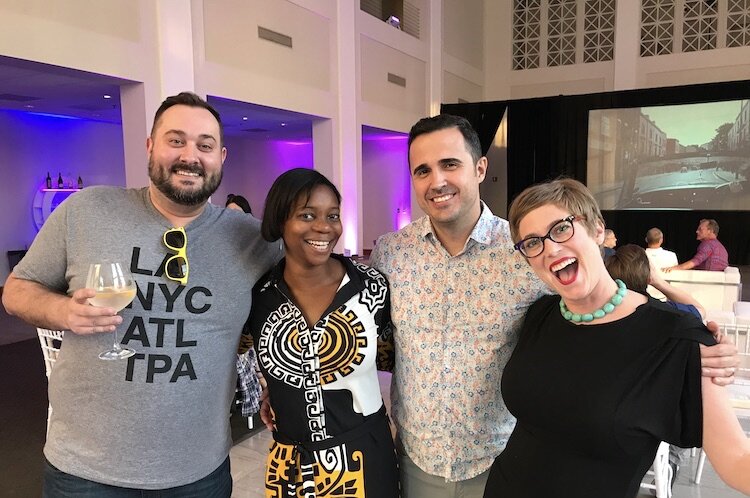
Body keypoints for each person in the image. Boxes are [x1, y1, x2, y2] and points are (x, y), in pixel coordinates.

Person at [367, 115, 737, 498]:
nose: (436, 181)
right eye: (422, 170)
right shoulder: (391, 253)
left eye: (450, 164)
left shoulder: (528, 250)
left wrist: (688, 339)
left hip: (505, 460)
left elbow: (609, 308)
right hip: (416, 462)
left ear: (479, 168)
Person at [2, 92, 281, 496]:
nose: (190, 155)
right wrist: (62, 311)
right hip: (85, 473)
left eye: (204, 146)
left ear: (221, 157)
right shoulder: (86, 211)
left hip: (198, 473)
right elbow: (16, 290)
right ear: (150, 147)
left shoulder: (250, 238)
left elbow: (302, 294)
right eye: (175, 140)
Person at [483, 178, 750, 497]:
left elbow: (736, 458)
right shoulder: (538, 315)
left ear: (598, 230)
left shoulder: (675, 337)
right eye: (532, 242)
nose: (550, 248)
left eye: (561, 229)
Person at [239, 168, 398, 497]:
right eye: (307, 215)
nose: (324, 227)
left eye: (333, 215)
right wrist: (275, 391)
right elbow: (246, 354)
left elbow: (394, 357)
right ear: (280, 220)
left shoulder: (371, 287)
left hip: (362, 458)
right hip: (291, 463)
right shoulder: (259, 297)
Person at [606, 244, 704, 319]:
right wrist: (658, 281)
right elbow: (699, 310)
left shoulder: (600, 312)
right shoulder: (664, 310)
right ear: (649, 274)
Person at [664, 219, 729, 272]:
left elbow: (696, 261)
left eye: (700, 229)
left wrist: (675, 268)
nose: (697, 231)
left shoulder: (708, 244)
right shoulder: (719, 246)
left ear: (710, 231)